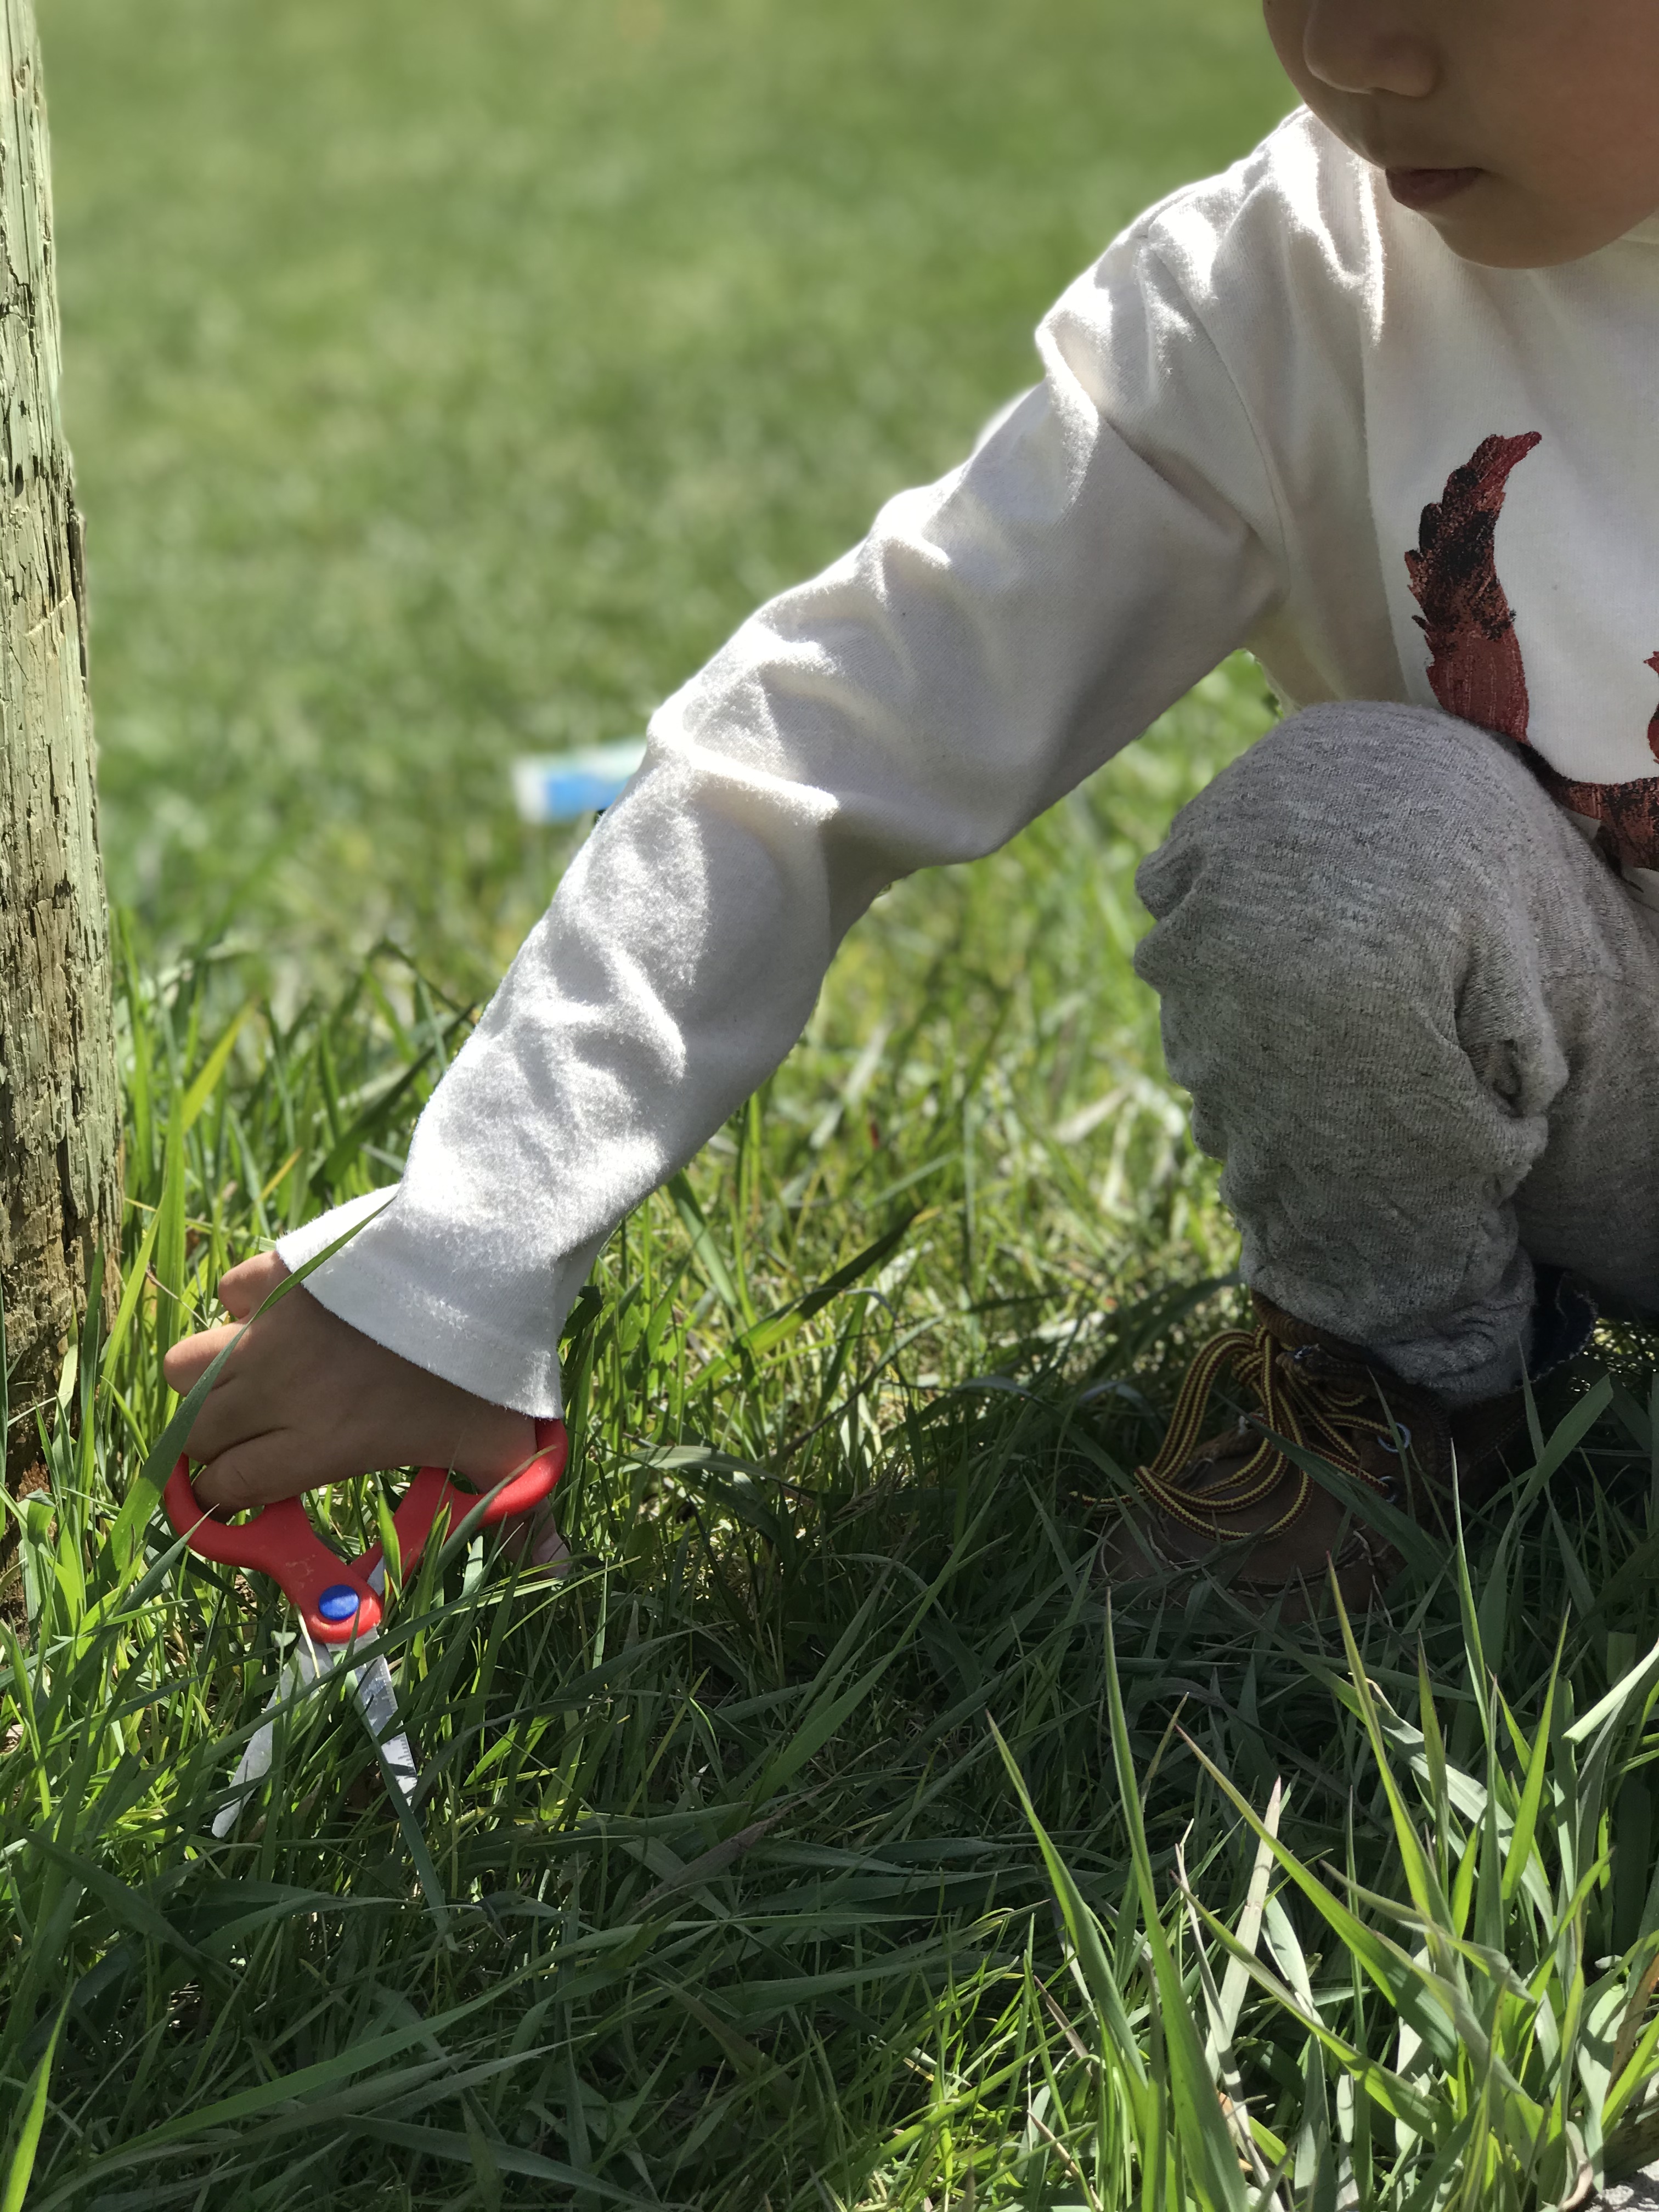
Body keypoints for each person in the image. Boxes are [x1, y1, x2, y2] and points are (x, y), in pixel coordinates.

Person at [164, 0, 1659, 1607]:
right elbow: (824, 736)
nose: (1358, 49)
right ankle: (1398, 1389)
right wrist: (464, 1258)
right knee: (1340, 838)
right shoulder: (1293, 287)